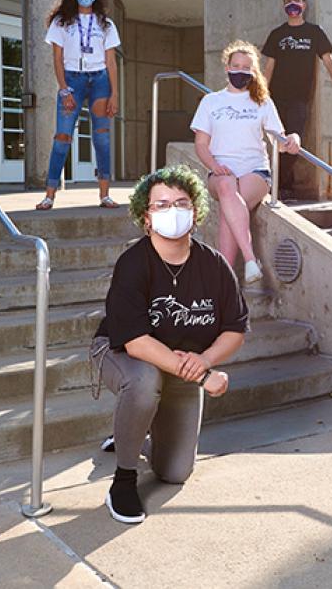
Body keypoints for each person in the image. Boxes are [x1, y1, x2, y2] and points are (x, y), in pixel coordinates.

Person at [90, 165, 249, 524]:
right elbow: (136, 343)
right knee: (144, 382)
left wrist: (204, 358)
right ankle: (124, 480)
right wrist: (202, 376)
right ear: (145, 217)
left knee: (175, 472)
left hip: (183, 364)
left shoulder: (215, 265)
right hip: (122, 353)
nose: (172, 211)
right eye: (161, 205)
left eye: (181, 203)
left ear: (195, 212)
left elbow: (235, 329)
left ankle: (131, 431)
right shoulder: (133, 263)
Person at [192, 41, 300, 285]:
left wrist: (294, 138)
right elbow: (200, 144)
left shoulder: (263, 102)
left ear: (254, 72)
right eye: (236, 66)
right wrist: (214, 166)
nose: (240, 71)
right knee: (227, 186)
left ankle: (225, 280)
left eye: (246, 67)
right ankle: (250, 259)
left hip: (255, 172)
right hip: (220, 171)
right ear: (227, 68)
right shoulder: (211, 102)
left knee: (230, 204)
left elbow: (279, 142)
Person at [35, 0, 120, 210]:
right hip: (72, 79)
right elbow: (57, 58)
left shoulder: (106, 24)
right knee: (62, 137)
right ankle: (49, 194)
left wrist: (115, 94)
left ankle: (105, 194)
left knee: (102, 137)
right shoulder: (62, 22)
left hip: (100, 80)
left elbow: (111, 62)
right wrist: (64, 89)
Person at [260, 0, 332, 197]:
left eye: (297, 0)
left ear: (304, 5)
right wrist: (261, 94)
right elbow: (268, 67)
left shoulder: (314, 32)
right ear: (284, 6)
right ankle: (283, 186)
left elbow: (328, 61)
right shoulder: (277, 34)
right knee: (277, 142)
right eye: (288, 0)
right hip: (274, 99)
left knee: (292, 142)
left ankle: (278, 184)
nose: (293, 3)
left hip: (299, 99)